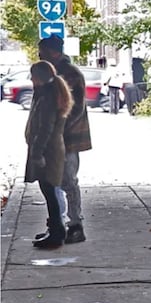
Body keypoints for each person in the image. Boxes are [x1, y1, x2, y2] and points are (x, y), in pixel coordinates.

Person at [38, 36, 92, 244]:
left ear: (53, 52)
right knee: (53, 182)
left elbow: (74, 108)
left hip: (67, 138)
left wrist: (58, 129)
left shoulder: (69, 74)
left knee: (68, 181)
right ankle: (57, 226)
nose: (40, 56)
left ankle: (75, 225)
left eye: (42, 52)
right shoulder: (52, 73)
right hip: (55, 137)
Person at [24, 61, 74, 248]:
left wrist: (37, 153)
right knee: (49, 191)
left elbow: (45, 128)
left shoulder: (48, 97)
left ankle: (56, 233)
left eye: (33, 76)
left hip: (48, 150)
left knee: (50, 191)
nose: (31, 79)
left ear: (40, 77)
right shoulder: (50, 92)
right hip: (51, 148)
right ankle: (55, 229)